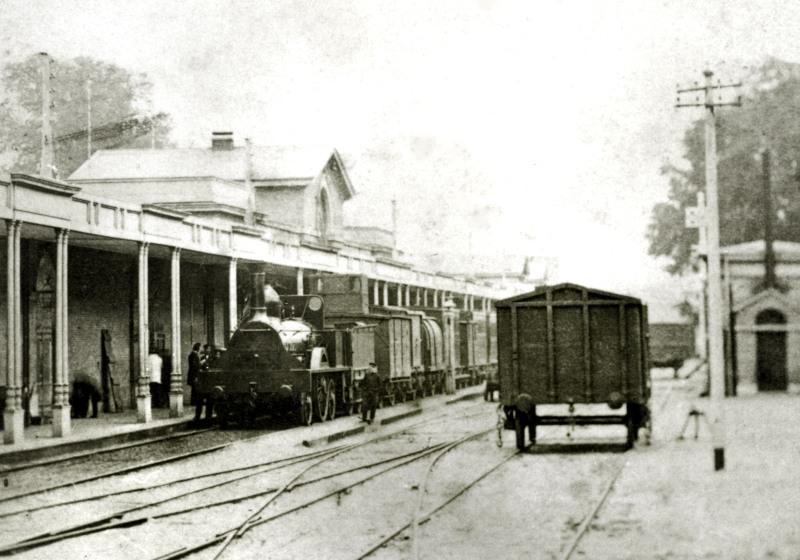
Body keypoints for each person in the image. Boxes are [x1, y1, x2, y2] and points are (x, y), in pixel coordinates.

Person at [188, 343, 201, 407]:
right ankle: (194, 402)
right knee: (195, 389)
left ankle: (194, 401)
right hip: (194, 374)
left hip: (192, 374)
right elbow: (195, 366)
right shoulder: (194, 355)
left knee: (194, 388)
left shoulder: (192, 355)